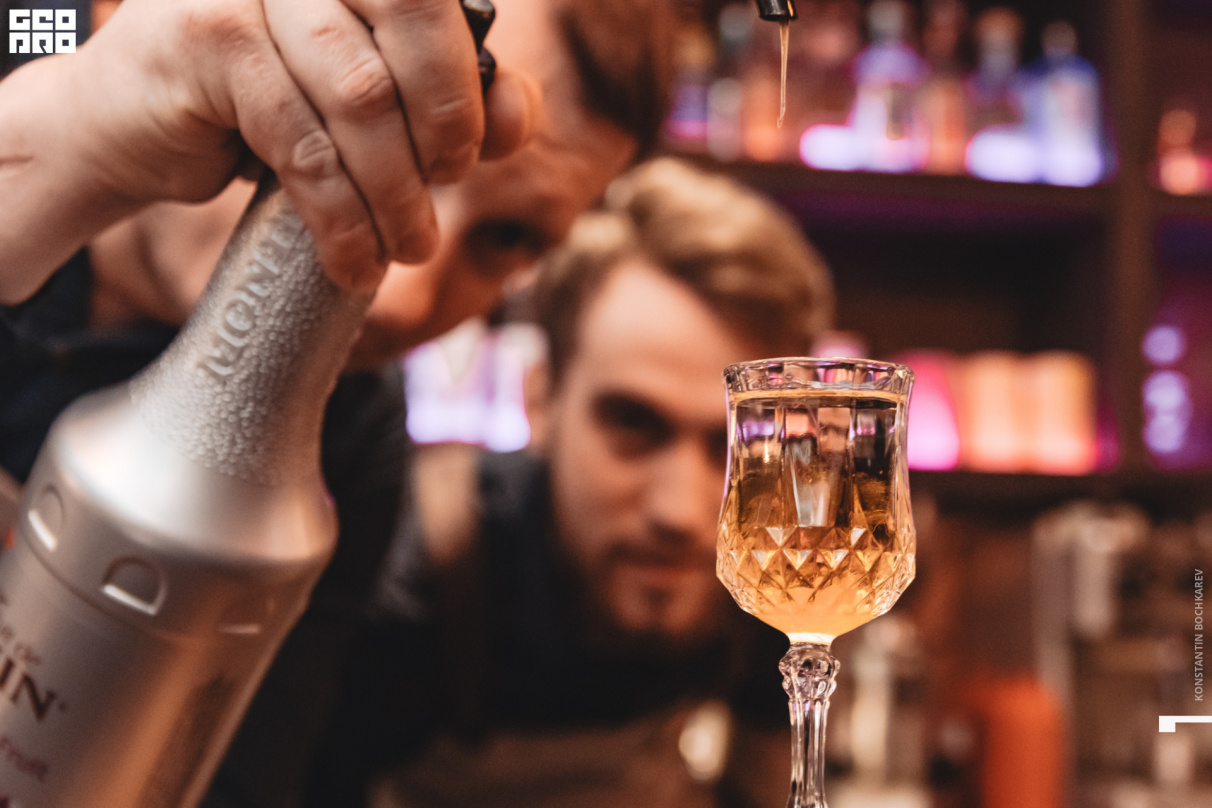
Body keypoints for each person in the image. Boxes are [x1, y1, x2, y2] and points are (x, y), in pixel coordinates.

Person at [0, 0, 676, 804]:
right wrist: (53, 147)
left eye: (506, 238)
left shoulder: (346, 440)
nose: (399, 296)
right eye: (365, 137)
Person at [309, 157, 836, 807]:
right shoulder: (412, 579)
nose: (681, 512)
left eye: (740, 446)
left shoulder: (772, 575)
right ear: (541, 399)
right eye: (632, 424)